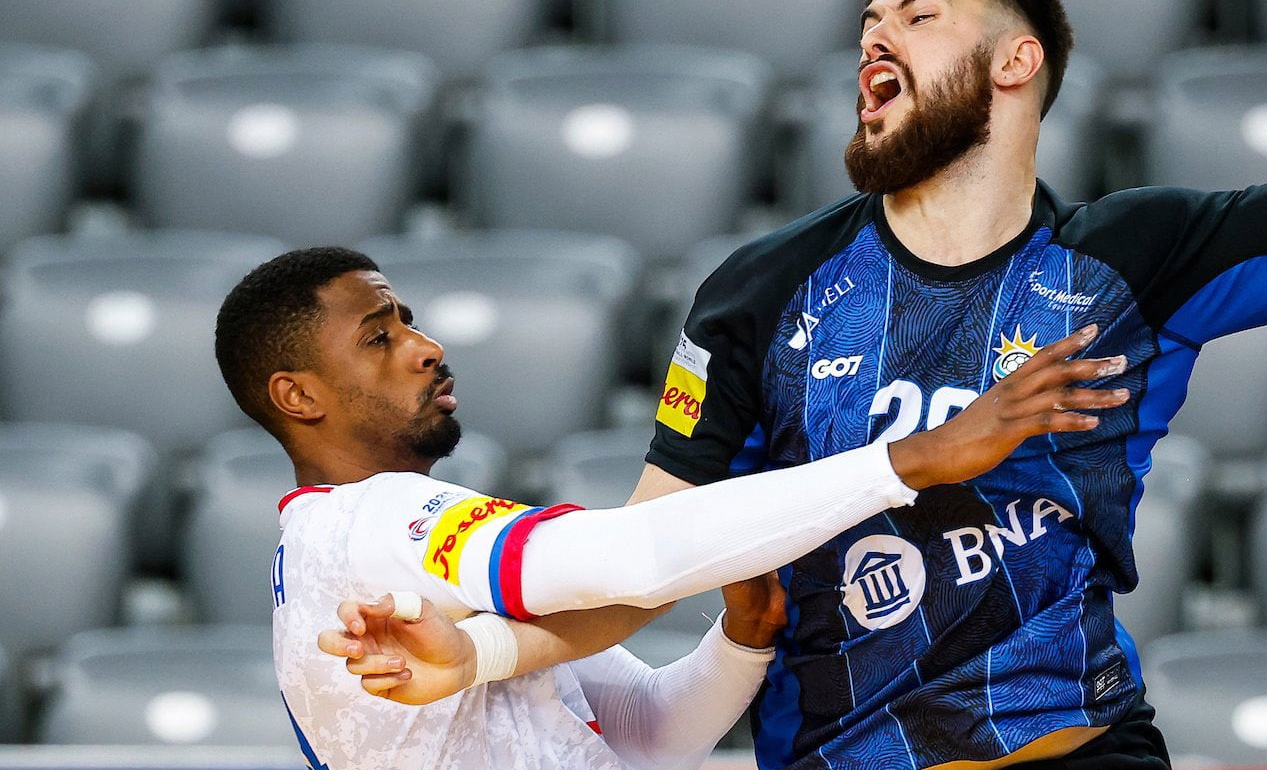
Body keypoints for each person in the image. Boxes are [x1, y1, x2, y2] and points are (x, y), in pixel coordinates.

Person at [335, 0, 1267, 769]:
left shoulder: (1134, 257)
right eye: (867, 25)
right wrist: (483, 651)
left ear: (1016, 61)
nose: (874, 38)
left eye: (919, 15)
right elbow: (643, 565)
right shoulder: (762, 291)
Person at [217, 246, 1129, 770]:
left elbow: (644, 737)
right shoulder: (370, 526)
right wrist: (912, 460)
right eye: (381, 336)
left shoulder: (359, 552)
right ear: (299, 397)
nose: (425, 345)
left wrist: (742, 641)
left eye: (409, 318)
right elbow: (633, 560)